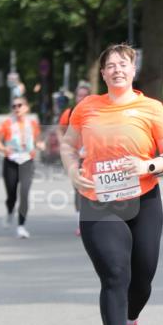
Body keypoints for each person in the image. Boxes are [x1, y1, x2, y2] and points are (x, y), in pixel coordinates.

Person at [60, 44, 163, 325]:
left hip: (143, 199)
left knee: (142, 278)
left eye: (123, 64)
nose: (116, 69)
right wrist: (72, 171)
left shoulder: (152, 108)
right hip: (99, 200)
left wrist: (148, 164)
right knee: (115, 273)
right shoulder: (87, 108)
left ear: (133, 70)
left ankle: (130, 322)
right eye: (110, 65)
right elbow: (68, 145)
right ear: (102, 74)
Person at [0, 95, 44, 238]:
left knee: (24, 193)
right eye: (14, 106)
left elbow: (38, 140)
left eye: (19, 105)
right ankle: (10, 211)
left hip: (27, 161)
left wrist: (40, 145)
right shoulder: (7, 123)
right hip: (11, 161)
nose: (17, 108)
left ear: (26, 107)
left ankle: (21, 226)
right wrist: (4, 149)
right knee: (11, 195)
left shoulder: (33, 123)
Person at [59, 81, 92, 235]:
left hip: (94, 155)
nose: (82, 98)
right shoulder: (70, 112)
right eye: (79, 95)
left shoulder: (96, 111)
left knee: (95, 186)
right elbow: (60, 130)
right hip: (76, 156)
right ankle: (81, 221)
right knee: (79, 188)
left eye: (85, 96)